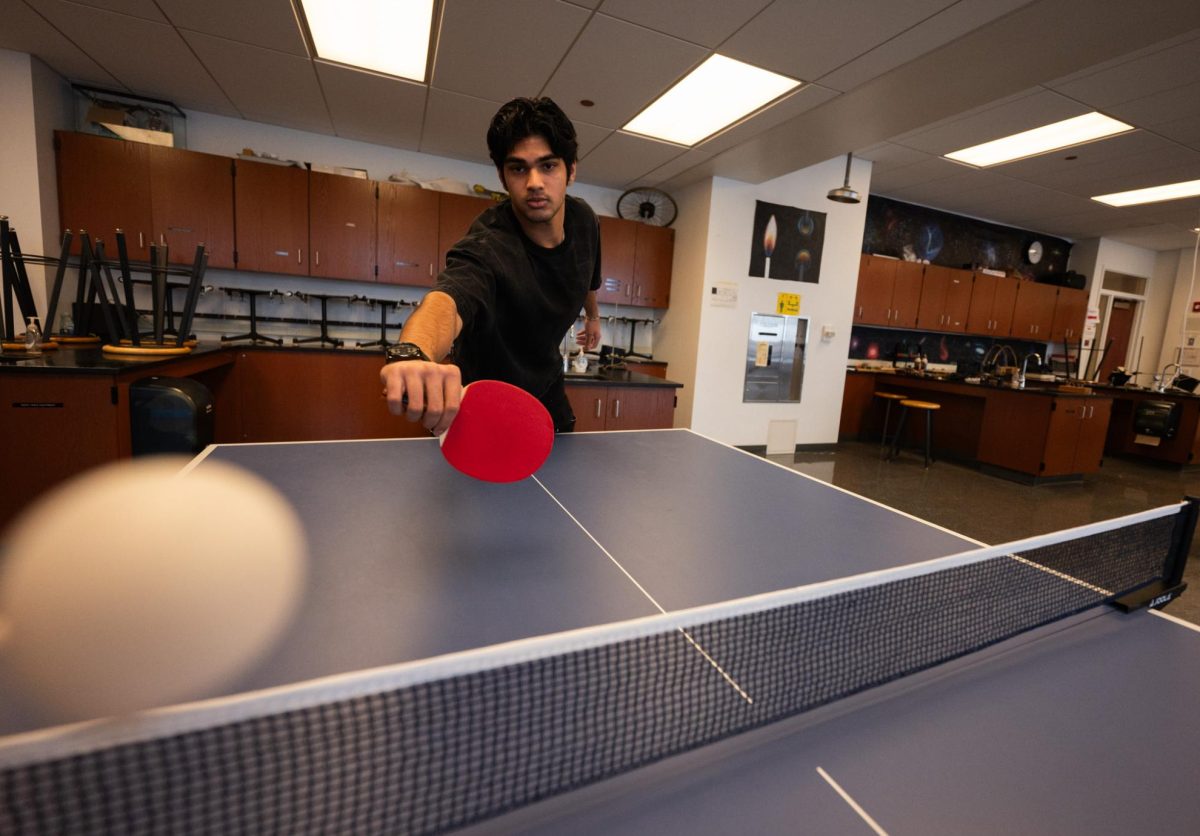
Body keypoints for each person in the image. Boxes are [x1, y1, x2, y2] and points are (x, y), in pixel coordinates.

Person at [380, 97, 602, 435]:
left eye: (548, 165)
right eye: (518, 168)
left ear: (571, 170)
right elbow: (447, 301)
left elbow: (588, 272)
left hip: (546, 385)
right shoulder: (488, 245)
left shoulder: (585, 220)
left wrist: (594, 316)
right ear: (502, 176)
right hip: (481, 395)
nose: (534, 183)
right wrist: (412, 354)